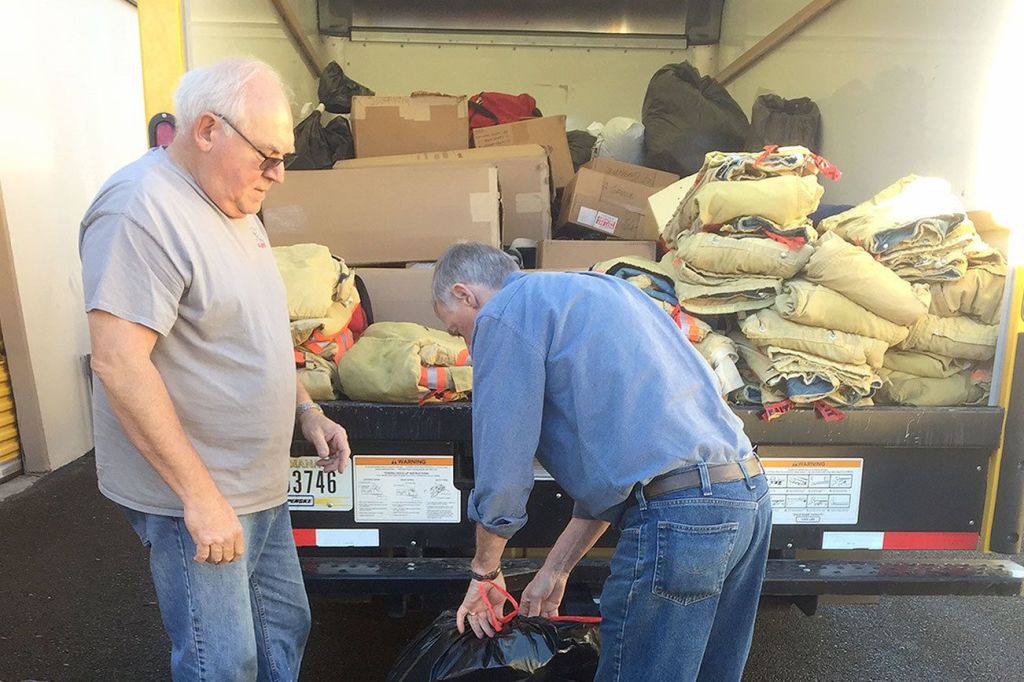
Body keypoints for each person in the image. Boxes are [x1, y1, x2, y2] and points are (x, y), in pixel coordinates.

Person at [79, 58, 350, 681]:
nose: (279, 175)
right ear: (207, 130)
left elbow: (254, 326)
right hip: (201, 494)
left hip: (257, 481)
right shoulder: (140, 211)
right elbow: (118, 362)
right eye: (268, 156)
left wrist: (306, 409)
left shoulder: (233, 202)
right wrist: (199, 498)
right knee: (222, 662)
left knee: (284, 628)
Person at [432, 242, 771, 682]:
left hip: (682, 517)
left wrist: (485, 572)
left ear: (464, 294)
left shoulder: (503, 313)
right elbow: (625, 473)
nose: (469, 344)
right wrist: (556, 569)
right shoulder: (609, 291)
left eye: (457, 329)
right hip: (747, 497)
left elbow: (503, 465)